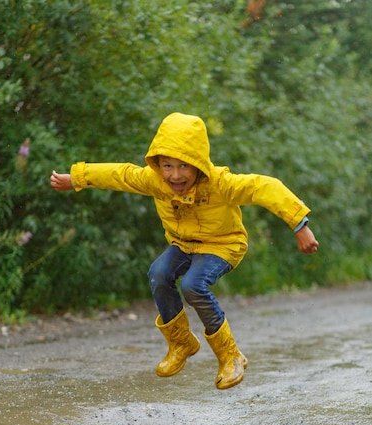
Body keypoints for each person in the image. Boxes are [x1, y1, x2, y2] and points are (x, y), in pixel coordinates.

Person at [51, 112, 319, 390]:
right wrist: (77, 178)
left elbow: (266, 187)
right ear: (157, 165)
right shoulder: (155, 180)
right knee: (158, 272)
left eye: (184, 167)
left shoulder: (220, 184)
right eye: (167, 166)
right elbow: (121, 175)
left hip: (223, 244)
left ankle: (230, 356)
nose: (175, 175)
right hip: (183, 244)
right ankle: (181, 342)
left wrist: (300, 225)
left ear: (199, 166)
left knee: (193, 285)